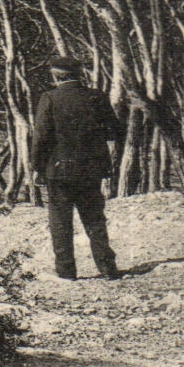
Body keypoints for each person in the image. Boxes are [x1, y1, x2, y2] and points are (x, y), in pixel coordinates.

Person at [30, 55, 123, 280]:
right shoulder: (96, 97)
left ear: (55, 76)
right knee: (94, 218)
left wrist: (37, 167)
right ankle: (108, 268)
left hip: (59, 170)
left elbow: (41, 136)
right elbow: (115, 131)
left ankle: (66, 271)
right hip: (91, 169)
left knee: (60, 222)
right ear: (79, 74)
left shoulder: (49, 98)